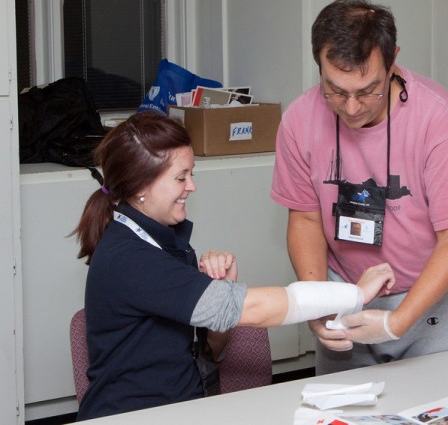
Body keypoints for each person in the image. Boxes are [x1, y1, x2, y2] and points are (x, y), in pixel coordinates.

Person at [71, 111, 395, 421]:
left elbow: (213, 349)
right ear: (140, 187)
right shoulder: (131, 259)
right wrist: (353, 294)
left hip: (182, 410)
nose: (192, 186)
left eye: (192, 174)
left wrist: (220, 294)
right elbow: (256, 309)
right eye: (181, 177)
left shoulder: (162, 240)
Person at [270, 0, 448, 375]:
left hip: (430, 303)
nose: (351, 108)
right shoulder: (299, 120)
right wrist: (317, 302)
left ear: (393, 61)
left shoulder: (437, 118)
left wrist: (397, 322)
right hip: (347, 298)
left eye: (368, 90)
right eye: (336, 90)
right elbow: (305, 221)